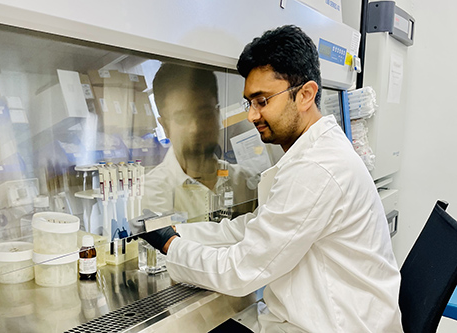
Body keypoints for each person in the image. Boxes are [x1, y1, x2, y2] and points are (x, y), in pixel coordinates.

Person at [139, 25, 403, 332]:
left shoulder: (316, 169)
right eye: (249, 102)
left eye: (262, 101)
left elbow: (239, 271)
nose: (252, 115)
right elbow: (254, 228)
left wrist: (172, 245)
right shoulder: (316, 153)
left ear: (306, 94)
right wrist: (178, 232)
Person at [141, 63, 257, 221]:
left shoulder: (245, 182)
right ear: (165, 126)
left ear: (217, 115)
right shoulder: (150, 193)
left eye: (205, 114)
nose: (195, 128)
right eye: (182, 117)